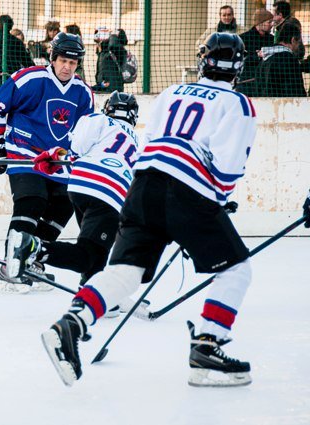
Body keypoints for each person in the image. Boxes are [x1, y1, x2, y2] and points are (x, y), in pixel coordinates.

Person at [42, 32, 258, 388]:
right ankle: (207, 348)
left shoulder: (172, 92)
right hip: (188, 191)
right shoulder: (238, 104)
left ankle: (70, 325)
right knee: (236, 270)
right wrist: (214, 204)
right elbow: (227, 168)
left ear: (203, 61)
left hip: (142, 186)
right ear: (238, 67)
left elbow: (153, 144)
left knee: (125, 272)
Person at [0, 32, 94, 293]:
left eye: (73, 63)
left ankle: (30, 259)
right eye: (63, 60)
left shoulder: (83, 92)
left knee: (65, 204)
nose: (67, 67)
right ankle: (10, 267)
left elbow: (86, 131)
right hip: (25, 152)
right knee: (33, 200)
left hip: (59, 160)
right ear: (53, 58)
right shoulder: (29, 78)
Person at [6, 91, 139, 290]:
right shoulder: (139, 142)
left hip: (79, 185)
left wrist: (56, 157)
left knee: (95, 255)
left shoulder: (98, 119)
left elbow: (77, 149)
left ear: (108, 108)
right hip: (109, 194)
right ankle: (33, 247)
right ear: (133, 116)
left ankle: (91, 292)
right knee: (87, 254)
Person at [256, 22, 306, 97]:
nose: (297, 46)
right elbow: (296, 90)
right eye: (298, 42)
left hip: (265, 103)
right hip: (285, 103)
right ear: (293, 40)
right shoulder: (290, 59)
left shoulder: (264, 58)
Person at [237, 9, 274, 96]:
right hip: (247, 84)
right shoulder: (243, 38)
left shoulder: (272, 39)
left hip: (266, 84)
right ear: (260, 23)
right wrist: (256, 55)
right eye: (269, 22)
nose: (272, 25)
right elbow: (239, 60)